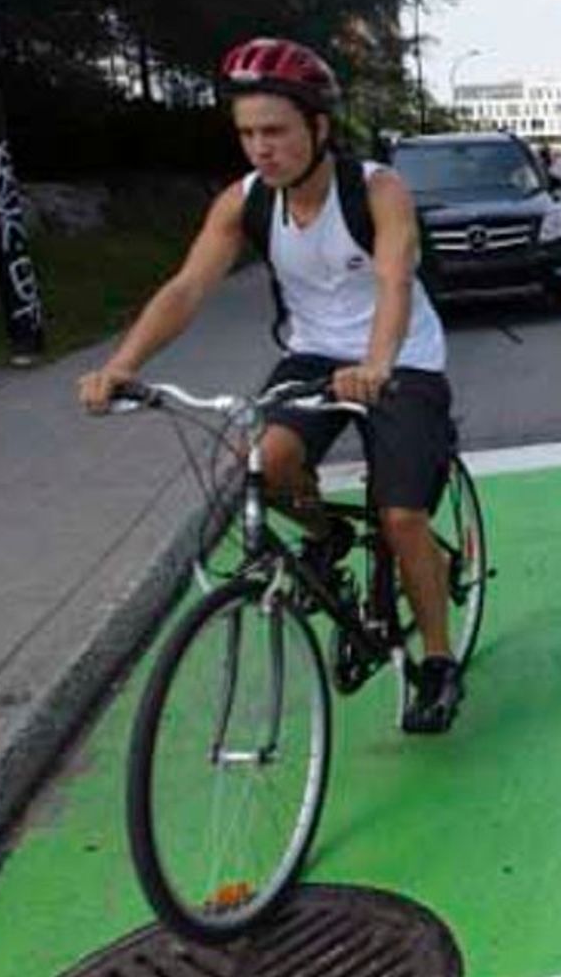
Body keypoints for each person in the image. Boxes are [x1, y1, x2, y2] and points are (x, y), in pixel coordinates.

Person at [78, 37, 464, 733]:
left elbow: (393, 280)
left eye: (276, 132)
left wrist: (376, 364)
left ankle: (437, 663)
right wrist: (124, 364)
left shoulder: (376, 189)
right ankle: (327, 537)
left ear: (318, 128)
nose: (261, 148)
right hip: (314, 354)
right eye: (248, 134)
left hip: (400, 356)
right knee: (267, 464)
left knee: (403, 518)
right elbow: (188, 286)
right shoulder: (245, 202)